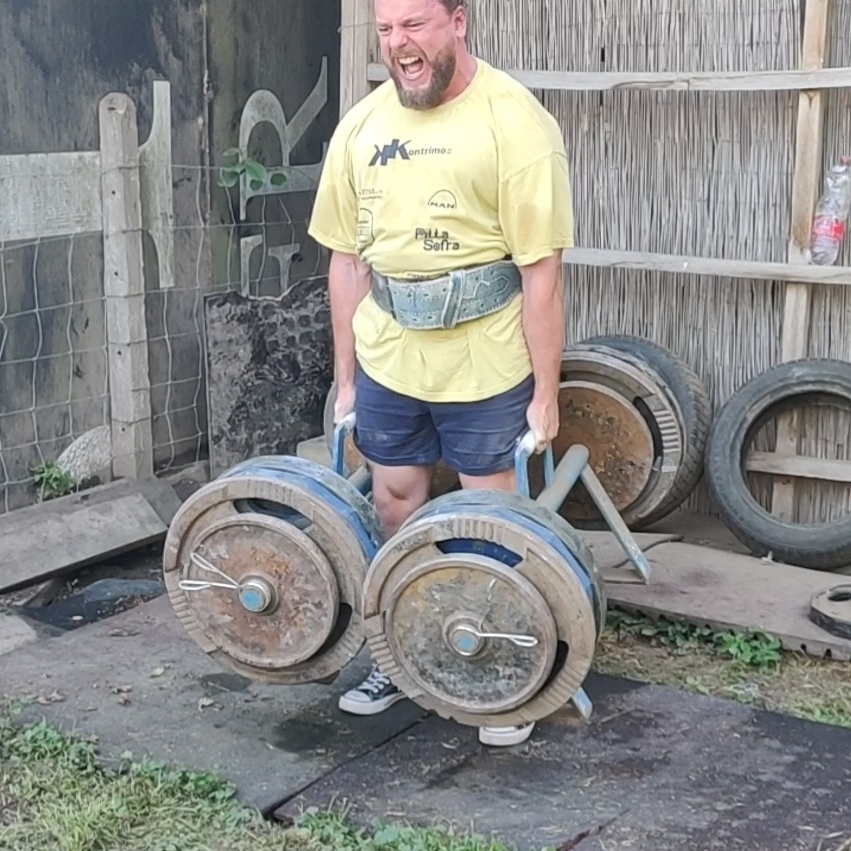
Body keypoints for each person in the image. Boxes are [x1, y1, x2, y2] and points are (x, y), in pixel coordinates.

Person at [307, 0, 574, 748]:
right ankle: (404, 651)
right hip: (390, 352)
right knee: (395, 504)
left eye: (415, 24)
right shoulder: (360, 128)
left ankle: (502, 674)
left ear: (458, 21)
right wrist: (347, 376)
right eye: (386, 29)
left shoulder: (515, 124)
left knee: (490, 522)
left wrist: (546, 393)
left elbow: (541, 273)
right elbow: (345, 260)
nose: (399, 44)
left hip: (486, 353)